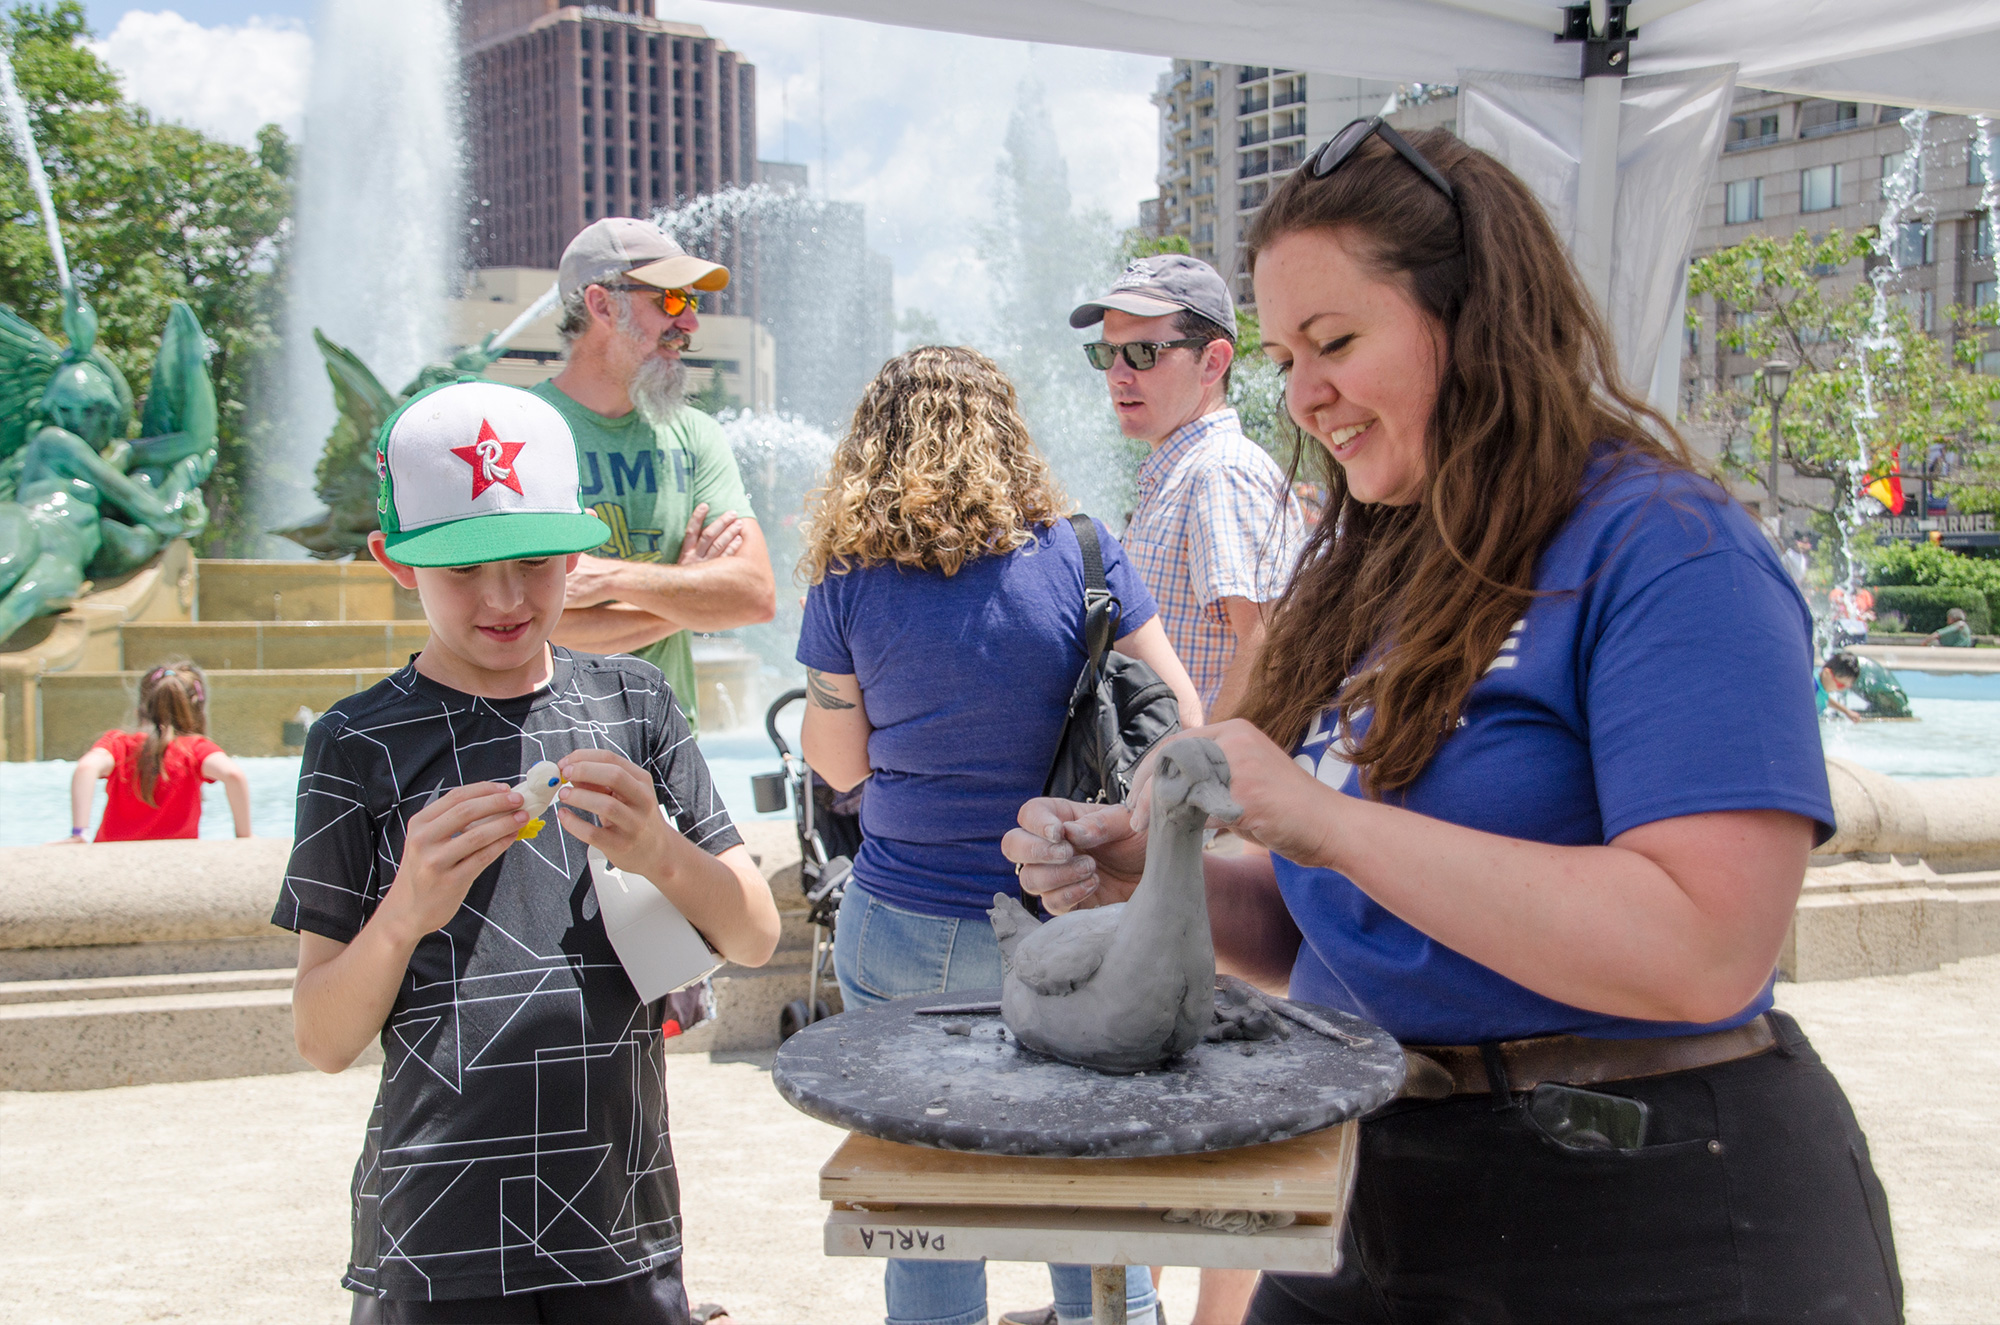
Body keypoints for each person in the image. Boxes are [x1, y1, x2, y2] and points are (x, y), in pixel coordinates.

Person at [1006, 119, 1901, 1323]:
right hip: (1366, 1183)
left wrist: (1322, 820)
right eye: (1282, 354)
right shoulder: (1372, 574)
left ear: (1476, 318)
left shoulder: (1666, 549)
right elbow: (1347, 925)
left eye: (1335, 340)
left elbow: (1706, 945)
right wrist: (1157, 882)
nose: (1304, 392)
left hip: (1644, 1209)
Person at [274, 381, 780, 1323]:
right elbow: (322, 1035)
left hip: (618, 1215)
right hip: (436, 1234)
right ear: (394, 561)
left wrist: (661, 849)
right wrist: (405, 910)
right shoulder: (357, 742)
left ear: (580, 552)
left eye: (537, 561)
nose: (505, 598)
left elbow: (752, 935)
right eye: (463, 570)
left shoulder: (636, 702)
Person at [796, 346, 1199, 1325]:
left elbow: (838, 765)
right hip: (1071, 918)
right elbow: (1179, 720)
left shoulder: (847, 576)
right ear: (1007, 431)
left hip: (903, 924)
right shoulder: (1083, 551)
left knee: (933, 1218)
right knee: (1095, 1212)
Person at [538, 217, 776, 734]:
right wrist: (690, 593)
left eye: (692, 303)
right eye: (670, 301)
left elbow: (754, 595)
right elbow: (534, 626)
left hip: (667, 743)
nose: (689, 323)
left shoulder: (696, 434)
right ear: (601, 305)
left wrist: (608, 578)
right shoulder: (521, 430)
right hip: (540, 741)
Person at [1073, 254, 1305, 721]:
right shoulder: (1182, 472)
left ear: (1212, 362)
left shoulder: (1220, 472)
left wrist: (1201, 770)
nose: (1117, 374)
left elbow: (1269, 640)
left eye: (1142, 353)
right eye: (1104, 353)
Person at [63, 661, 250, 842]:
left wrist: (79, 833)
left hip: (111, 853)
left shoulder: (119, 743)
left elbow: (86, 767)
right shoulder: (195, 748)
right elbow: (233, 775)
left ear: (142, 705)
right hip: (177, 855)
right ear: (197, 709)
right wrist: (244, 836)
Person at [1817, 652, 1865, 722]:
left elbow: (1824, 697)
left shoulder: (1819, 686)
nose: (1842, 689)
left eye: (1847, 686)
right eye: (1841, 685)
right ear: (1827, 673)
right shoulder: (1810, 687)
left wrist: (1846, 711)